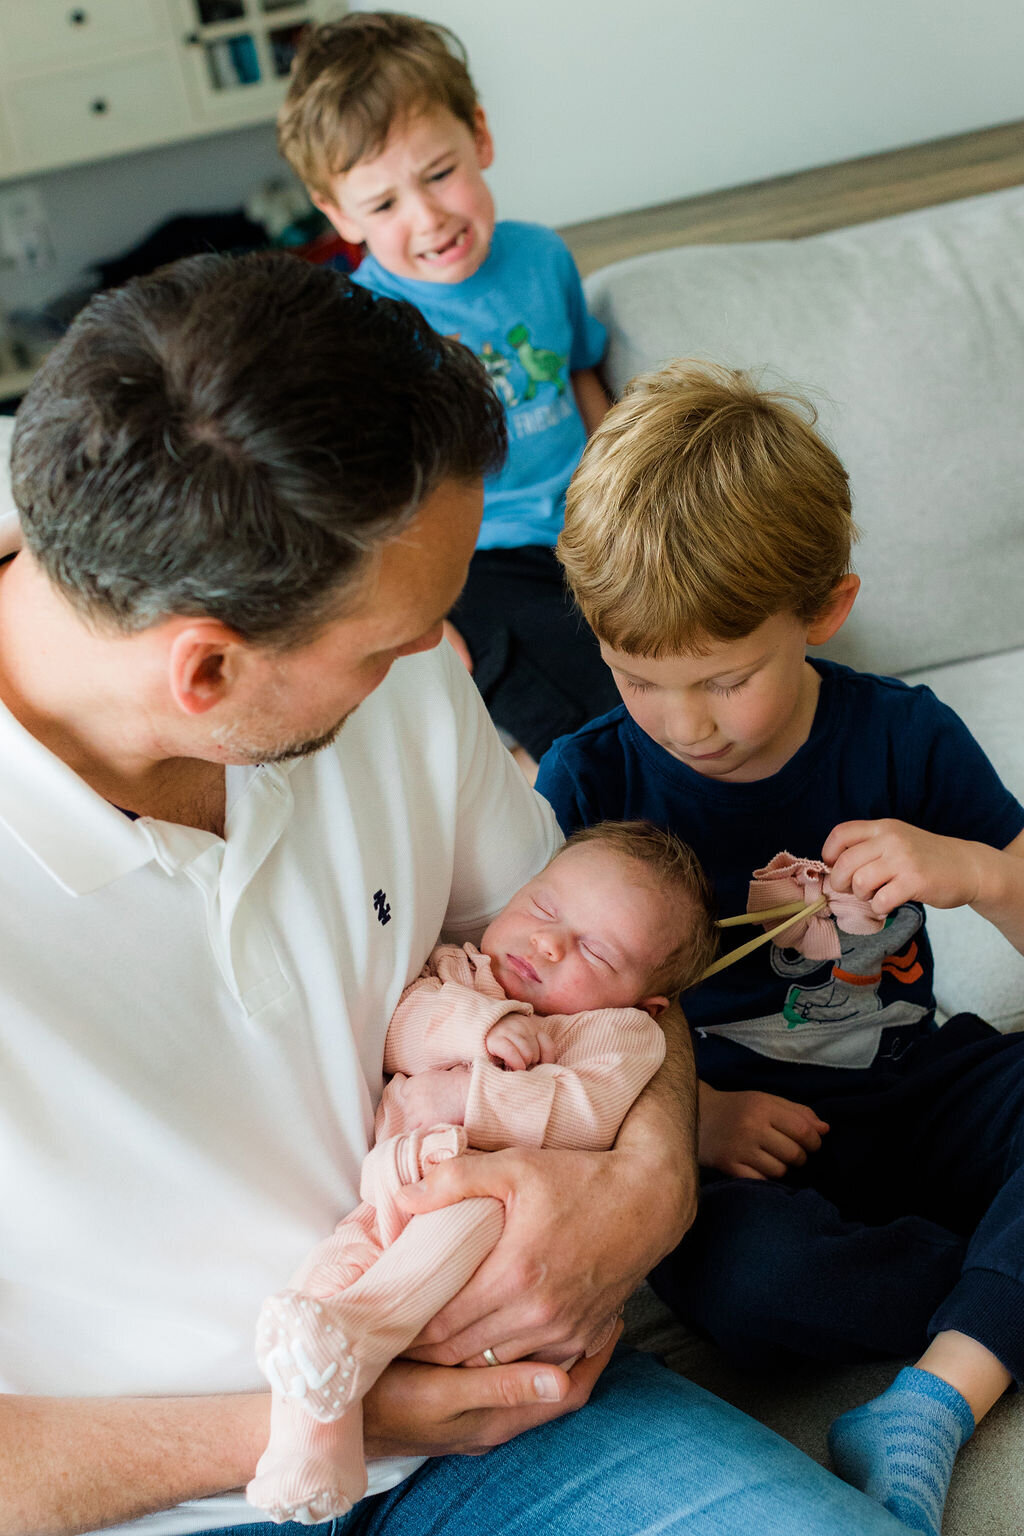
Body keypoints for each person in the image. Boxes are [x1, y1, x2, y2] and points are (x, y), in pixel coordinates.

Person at [0, 257, 907, 1536]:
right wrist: (332, 1419)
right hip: (149, 1498)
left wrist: (649, 1180)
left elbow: (608, 972)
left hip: (510, 1435)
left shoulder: (390, 661)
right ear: (205, 674)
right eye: (389, 643)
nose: (438, 655)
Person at [535, 360, 1024, 1536]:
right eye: (636, 676)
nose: (682, 720)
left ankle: (933, 1398)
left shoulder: (902, 732)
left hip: (916, 1082)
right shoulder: (588, 780)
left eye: (724, 679)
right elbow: (549, 1028)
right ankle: (998, 1286)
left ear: (825, 610)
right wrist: (692, 1119)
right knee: (749, 1290)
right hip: (730, 1145)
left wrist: (977, 873)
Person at [249, 821, 717, 1522]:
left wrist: (469, 1096)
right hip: (388, 1195)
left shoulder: (615, 1035)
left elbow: (578, 1115)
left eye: (595, 948)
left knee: (466, 1221)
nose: (550, 942)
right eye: (543, 909)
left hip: (490, 1217)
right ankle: (309, 1446)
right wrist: (480, 1028)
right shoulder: (459, 973)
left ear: (647, 1003)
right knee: (321, 1284)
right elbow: (400, 1026)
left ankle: (357, 1335)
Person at [277, 11, 620, 777]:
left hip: (592, 527)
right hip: (477, 560)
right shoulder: (366, 328)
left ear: (480, 136)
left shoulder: (542, 257)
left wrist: (624, 481)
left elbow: (578, 374)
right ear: (338, 214)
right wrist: (423, 611)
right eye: (385, 204)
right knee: (588, 723)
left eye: (439, 174)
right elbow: (372, 498)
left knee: (693, 654)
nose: (429, 219)